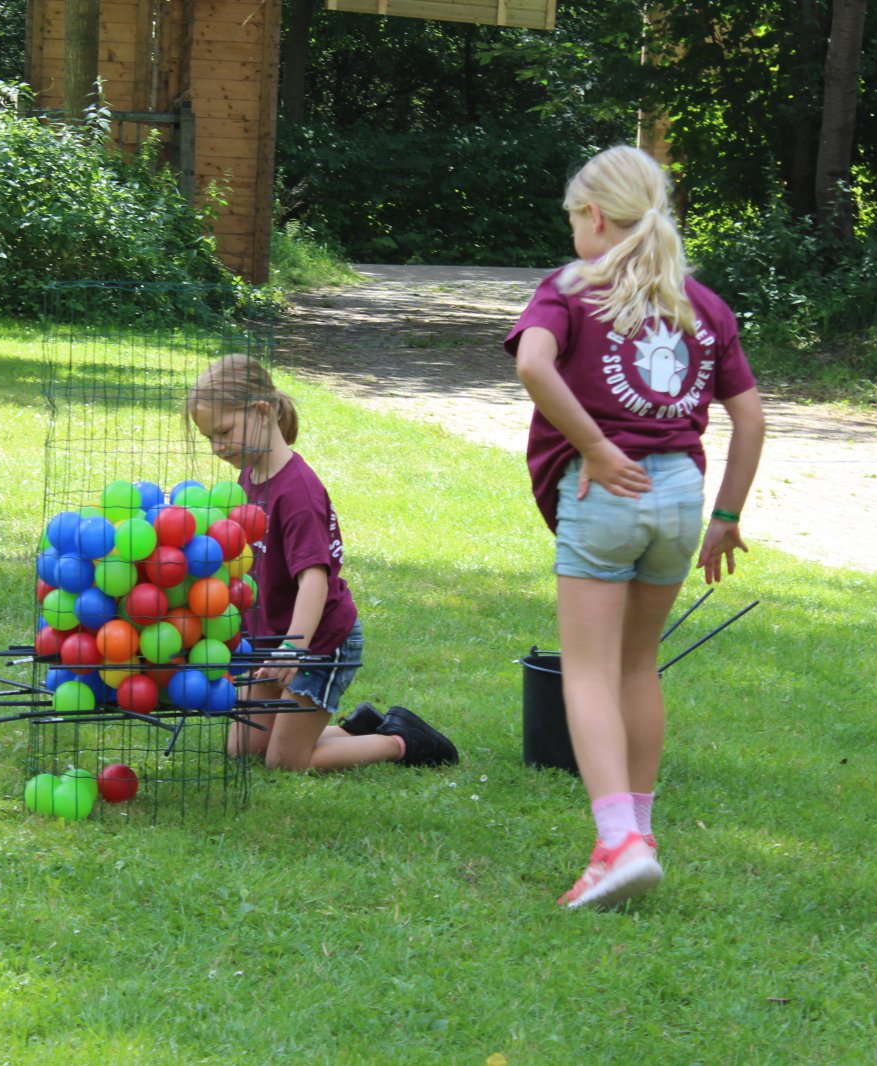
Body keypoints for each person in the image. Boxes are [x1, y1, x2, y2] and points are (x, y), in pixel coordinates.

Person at [505, 146, 766, 909]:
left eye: (574, 219)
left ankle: (617, 842)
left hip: (608, 492)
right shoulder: (700, 304)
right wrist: (726, 515)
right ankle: (638, 835)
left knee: (587, 671)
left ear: (593, 216)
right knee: (637, 666)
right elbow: (749, 416)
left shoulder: (570, 290)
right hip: (683, 496)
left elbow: (531, 365)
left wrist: (592, 444)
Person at [186, 354, 458, 771]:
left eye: (224, 432)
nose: (218, 447)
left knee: (284, 762)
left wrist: (294, 648)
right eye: (209, 438)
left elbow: (315, 579)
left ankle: (401, 740)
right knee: (243, 749)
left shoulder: (298, 492)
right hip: (272, 641)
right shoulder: (248, 478)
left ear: (261, 412)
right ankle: (359, 727)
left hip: (319, 643)